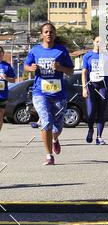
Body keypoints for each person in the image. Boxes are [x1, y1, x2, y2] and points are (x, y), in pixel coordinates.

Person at [24, 22, 74, 165]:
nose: (48, 34)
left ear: (55, 34)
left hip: (58, 94)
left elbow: (70, 71)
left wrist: (60, 67)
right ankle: (49, 155)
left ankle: (55, 139)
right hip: (40, 93)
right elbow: (26, 66)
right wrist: (31, 68)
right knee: (46, 121)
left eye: (51, 31)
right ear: (41, 35)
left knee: (57, 127)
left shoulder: (61, 50)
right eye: (46, 32)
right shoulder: (35, 50)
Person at [82, 36, 108, 145]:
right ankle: (90, 129)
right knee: (90, 112)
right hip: (91, 86)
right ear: (93, 42)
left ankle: (99, 137)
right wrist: (84, 88)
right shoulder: (87, 56)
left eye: (101, 42)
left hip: (103, 86)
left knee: (101, 112)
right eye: (97, 41)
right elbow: (84, 73)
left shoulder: (107, 57)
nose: (99, 44)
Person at [0, 47, 16, 135]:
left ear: (3, 54)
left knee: (0, 117)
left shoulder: (6, 66)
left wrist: (6, 78)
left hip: (2, 95)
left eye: (0, 52)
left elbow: (13, 80)